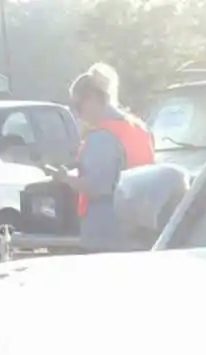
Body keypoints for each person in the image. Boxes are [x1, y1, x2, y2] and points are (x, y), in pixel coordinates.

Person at [59, 63, 155, 251]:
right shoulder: (139, 128)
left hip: (106, 231)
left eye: (79, 105)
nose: (78, 113)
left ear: (94, 99)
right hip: (141, 227)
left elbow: (97, 187)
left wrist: (66, 178)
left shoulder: (102, 136)